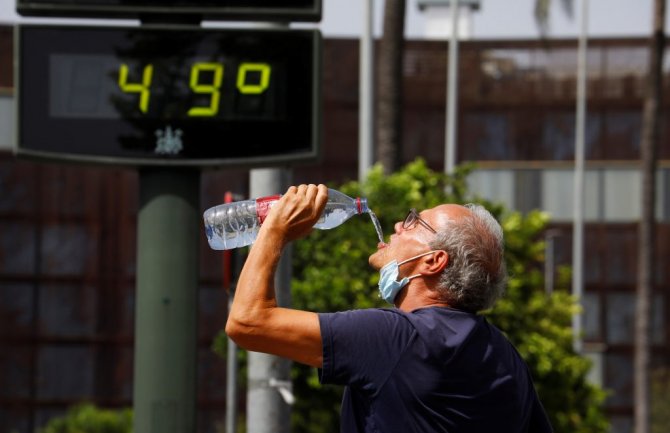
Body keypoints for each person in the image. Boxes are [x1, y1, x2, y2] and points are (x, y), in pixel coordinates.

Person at [225, 184, 553, 433]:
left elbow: (248, 322)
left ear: (433, 261)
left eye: (414, 223)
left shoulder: (396, 338)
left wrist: (275, 231)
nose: (398, 224)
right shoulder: (504, 356)